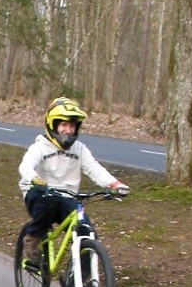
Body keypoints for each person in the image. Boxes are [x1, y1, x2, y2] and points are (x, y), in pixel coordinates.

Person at [18, 97, 129, 267]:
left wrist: (113, 184)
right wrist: (35, 179)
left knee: (86, 231)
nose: (67, 130)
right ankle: (33, 237)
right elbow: (25, 166)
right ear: (53, 125)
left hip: (68, 197)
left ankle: (82, 280)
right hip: (40, 194)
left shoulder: (79, 149)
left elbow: (93, 167)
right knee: (49, 201)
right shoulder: (39, 147)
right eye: (63, 125)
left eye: (71, 126)